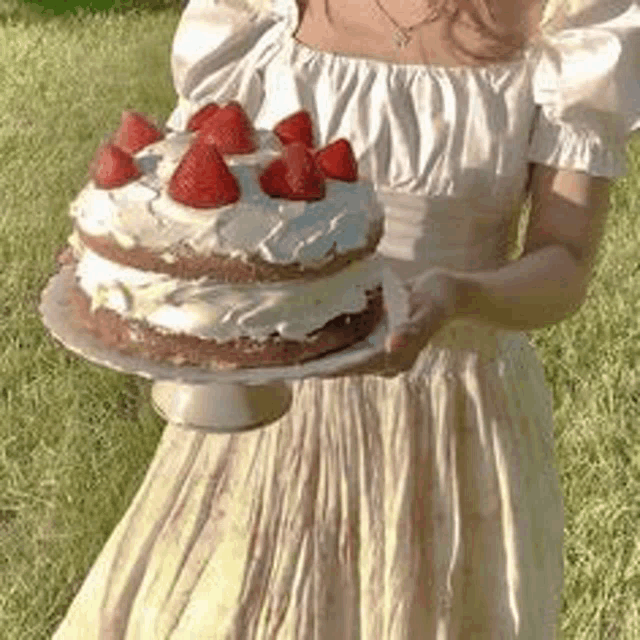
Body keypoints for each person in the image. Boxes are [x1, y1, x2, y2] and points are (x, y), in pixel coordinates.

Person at [53, 0, 640, 637]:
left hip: (446, 417)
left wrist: (458, 297)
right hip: (265, 400)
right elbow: (187, 203)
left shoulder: (568, 26)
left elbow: (564, 265)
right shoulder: (259, 13)